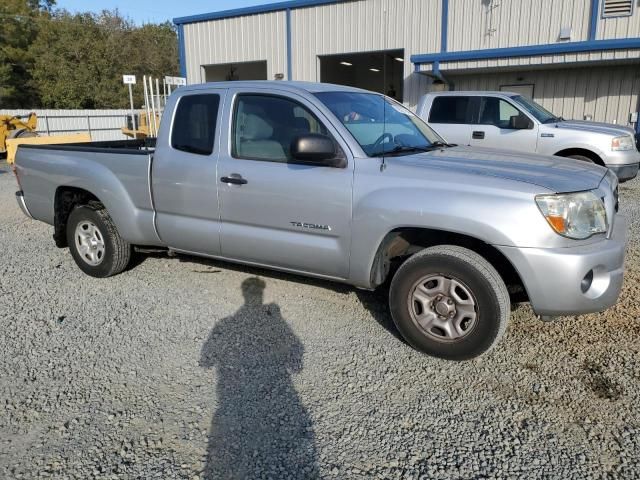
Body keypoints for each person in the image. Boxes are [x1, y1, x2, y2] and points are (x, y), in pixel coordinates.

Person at [200, 277, 318, 479]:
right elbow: (296, 353)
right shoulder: (273, 320)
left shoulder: (225, 323)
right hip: (273, 392)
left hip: (230, 395)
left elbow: (205, 360)